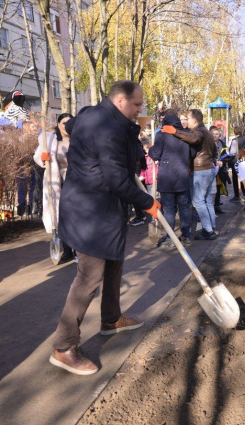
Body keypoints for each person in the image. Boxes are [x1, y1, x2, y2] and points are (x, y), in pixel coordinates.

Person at [51, 80, 160, 375]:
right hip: (90, 213)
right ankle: (63, 347)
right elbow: (117, 179)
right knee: (89, 277)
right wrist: (147, 202)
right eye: (136, 105)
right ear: (121, 101)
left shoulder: (89, 113)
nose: (139, 111)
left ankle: (111, 319)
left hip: (102, 210)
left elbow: (71, 125)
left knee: (114, 263)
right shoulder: (109, 130)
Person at [162, 109, 219, 240]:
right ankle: (212, 227)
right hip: (208, 168)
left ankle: (208, 231)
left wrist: (175, 132)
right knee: (207, 200)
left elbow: (194, 139)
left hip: (201, 170)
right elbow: (214, 151)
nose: (186, 121)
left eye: (188, 118)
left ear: (194, 120)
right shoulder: (208, 133)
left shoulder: (198, 132)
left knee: (198, 202)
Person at [34, 113, 75, 263]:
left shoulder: (78, 139)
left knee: (75, 215)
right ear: (58, 124)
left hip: (75, 181)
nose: (67, 126)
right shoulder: (50, 139)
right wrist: (43, 158)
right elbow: (37, 156)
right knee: (60, 215)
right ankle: (67, 250)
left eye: (70, 123)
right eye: (64, 123)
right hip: (57, 181)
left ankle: (78, 249)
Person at [149, 114, 193, 247]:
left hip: (167, 177)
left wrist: (151, 149)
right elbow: (192, 153)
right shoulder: (185, 135)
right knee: (184, 207)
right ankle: (186, 235)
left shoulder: (161, 135)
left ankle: (170, 237)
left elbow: (156, 155)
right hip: (183, 176)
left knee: (169, 209)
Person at [228, 127, 244, 202]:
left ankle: (237, 195)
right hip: (244, 161)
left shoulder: (235, 140)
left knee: (235, 179)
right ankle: (244, 194)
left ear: (234, 132)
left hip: (236, 161)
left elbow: (232, 152)